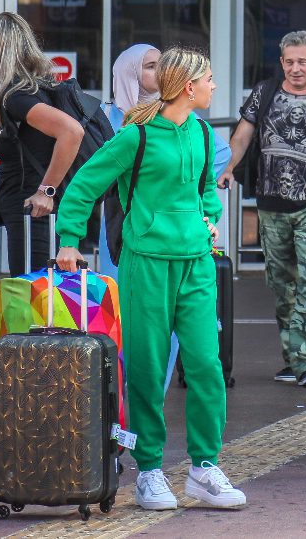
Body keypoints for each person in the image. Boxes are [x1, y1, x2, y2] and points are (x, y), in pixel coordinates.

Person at [55, 47, 245, 511]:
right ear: (188, 87)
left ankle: (204, 467)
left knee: (206, 365)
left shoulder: (201, 133)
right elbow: (84, 185)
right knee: (146, 368)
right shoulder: (135, 136)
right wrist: (68, 240)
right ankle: (150, 471)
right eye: (209, 80)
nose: (214, 88)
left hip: (197, 264)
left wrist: (209, 218)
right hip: (146, 263)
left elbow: (205, 190)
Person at [220, 31, 306, 388]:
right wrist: (228, 167)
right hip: (270, 207)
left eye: (303, 61)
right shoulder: (264, 93)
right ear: (282, 62)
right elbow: (242, 136)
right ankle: (293, 356)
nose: (296, 68)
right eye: (289, 61)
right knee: (283, 288)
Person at [101, 43, 231, 392]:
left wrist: (193, 206)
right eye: (149, 66)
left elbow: (215, 161)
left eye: (161, 66)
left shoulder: (190, 124)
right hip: (127, 232)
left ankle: (151, 401)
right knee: (124, 318)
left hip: (182, 246)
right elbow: (90, 176)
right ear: (127, 72)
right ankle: (122, 399)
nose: (156, 74)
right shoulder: (110, 118)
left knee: (188, 341)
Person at [0, 12, 83, 275]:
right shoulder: (27, 91)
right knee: (38, 301)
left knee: (36, 302)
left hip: (33, 218)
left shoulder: (16, 96)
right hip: (28, 215)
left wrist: (46, 191)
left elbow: (71, 132)